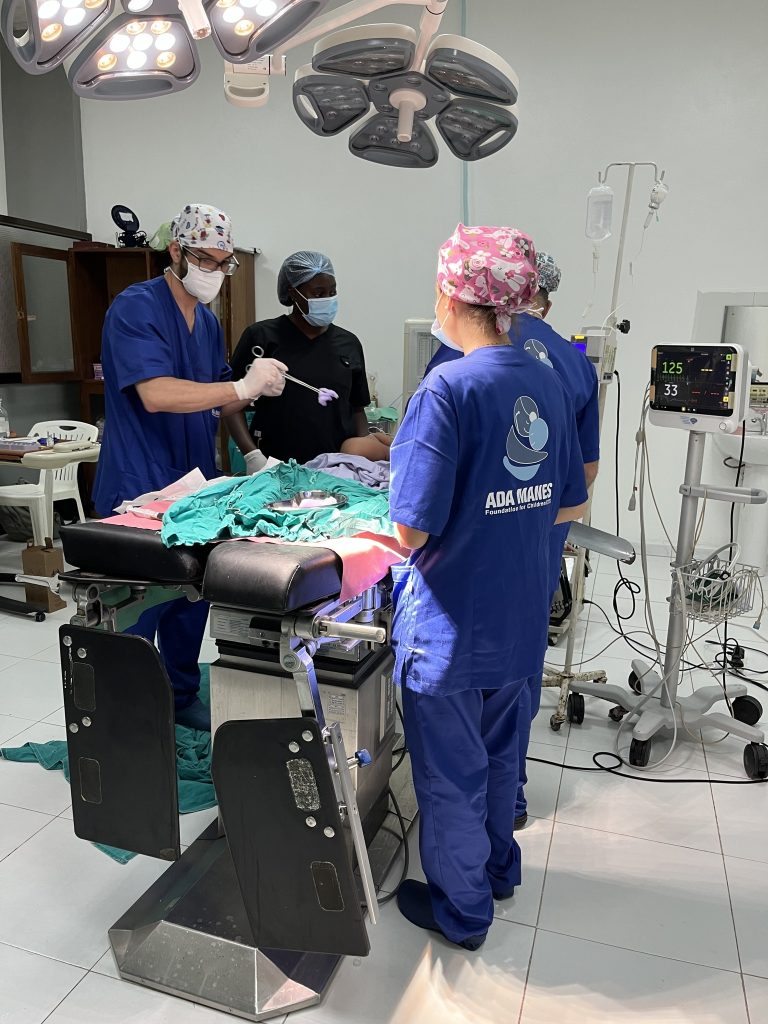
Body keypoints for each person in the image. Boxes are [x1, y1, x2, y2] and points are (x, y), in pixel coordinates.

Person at [389, 224, 588, 951]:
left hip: (452, 626)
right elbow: (568, 504)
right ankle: (499, 870)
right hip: (518, 616)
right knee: (503, 755)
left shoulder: (447, 387)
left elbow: (411, 530)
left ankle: (463, 912)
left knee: (451, 773)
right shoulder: (548, 378)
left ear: (451, 297)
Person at [419, 250, 600, 828]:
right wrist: (523, 514)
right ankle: (507, 813)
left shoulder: (456, 365)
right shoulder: (566, 366)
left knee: (455, 724)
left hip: (463, 571)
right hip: (530, 559)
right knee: (511, 690)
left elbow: (419, 509)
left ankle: (463, 858)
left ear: (457, 297)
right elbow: (582, 480)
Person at [92, 203, 287, 731]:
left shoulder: (206, 323)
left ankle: (180, 695)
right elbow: (156, 394)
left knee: (189, 598)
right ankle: (128, 714)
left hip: (195, 483)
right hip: (139, 484)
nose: (215, 272)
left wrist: (255, 405)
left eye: (225, 263)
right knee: (138, 606)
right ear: (175, 251)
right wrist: (240, 386)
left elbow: (218, 396)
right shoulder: (135, 308)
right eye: (205, 260)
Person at [227, 251, 391, 469]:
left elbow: (357, 409)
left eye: (332, 292)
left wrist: (361, 459)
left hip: (336, 469)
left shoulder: (348, 344)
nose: (327, 299)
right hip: (275, 466)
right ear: (293, 293)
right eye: (318, 293)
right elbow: (231, 404)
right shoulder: (262, 338)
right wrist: (253, 456)